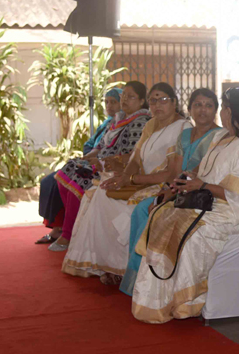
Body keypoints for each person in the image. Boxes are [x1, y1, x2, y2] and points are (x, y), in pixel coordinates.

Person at [131, 88, 239, 324]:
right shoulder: (221, 137)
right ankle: (156, 299)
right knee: (161, 214)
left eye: (225, 108)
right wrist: (183, 183)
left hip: (236, 211)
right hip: (209, 201)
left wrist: (203, 185)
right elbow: (203, 170)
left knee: (190, 231)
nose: (223, 114)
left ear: (233, 112)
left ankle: (184, 303)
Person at [61, 82, 190, 279]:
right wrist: (123, 179)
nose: (157, 105)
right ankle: (107, 264)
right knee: (101, 194)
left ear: (174, 102)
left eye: (163, 100)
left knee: (118, 206)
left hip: (163, 186)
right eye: (153, 100)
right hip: (141, 181)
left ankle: (123, 269)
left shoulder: (182, 127)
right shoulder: (151, 124)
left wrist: (131, 179)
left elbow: (172, 174)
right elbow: (135, 158)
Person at [117, 89, 225, 296]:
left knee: (151, 210)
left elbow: (201, 172)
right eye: (198, 105)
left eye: (208, 105)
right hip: (176, 188)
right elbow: (175, 171)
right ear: (190, 109)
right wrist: (166, 192)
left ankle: (149, 280)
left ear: (215, 110)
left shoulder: (219, 137)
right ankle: (136, 277)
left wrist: (168, 195)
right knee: (141, 209)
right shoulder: (184, 135)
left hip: (198, 192)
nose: (202, 110)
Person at [47, 82, 149, 252]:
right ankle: (75, 228)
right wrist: (86, 158)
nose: (124, 100)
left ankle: (68, 234)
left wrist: (102, 163)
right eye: (123, 95)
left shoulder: (141, 121)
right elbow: (100, 146)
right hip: (102, 163)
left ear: (141, 101)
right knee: (68, 169)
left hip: (118, 168)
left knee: (79, 179)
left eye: (131, 97)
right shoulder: (118, 119)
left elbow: (134, 155)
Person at [36, 87, 124, 244]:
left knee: (68, 182)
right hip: (92, 161)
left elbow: (117, 153)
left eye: (113, 102)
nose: (109, 106)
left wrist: (93, 160)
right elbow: (94, 146)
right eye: (106, 102)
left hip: (105, 167)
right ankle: (57, 228)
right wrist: (84, 158)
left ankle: (68, 231)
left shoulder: (127, 123)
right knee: (52, 179)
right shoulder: (107, 124)